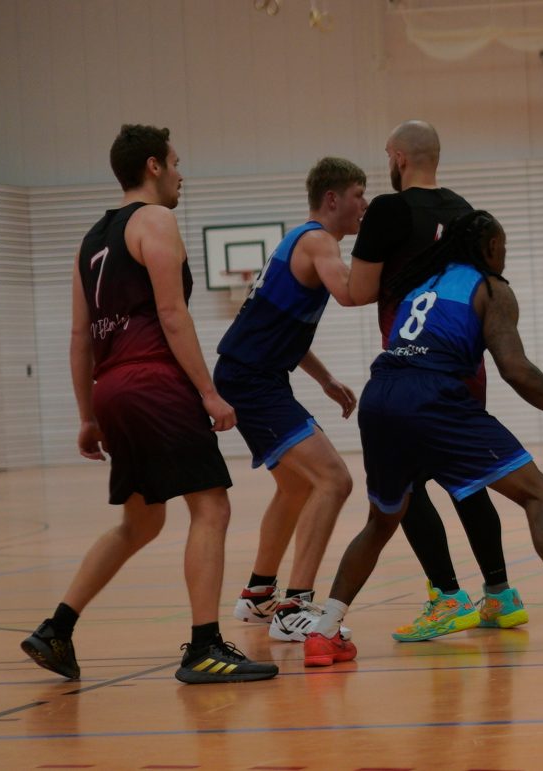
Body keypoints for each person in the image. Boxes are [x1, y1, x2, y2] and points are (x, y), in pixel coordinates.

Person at [304, 210, 543, 667]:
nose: (503, 256)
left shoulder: (423, 282)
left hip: (381, 396)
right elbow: (516, 370)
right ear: (488, 247)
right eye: (502, 247)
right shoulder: (490, 289)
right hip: (432, 397)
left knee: (382, 521)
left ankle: (324, 632)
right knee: (540, 493)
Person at [20, 124, 277, 684]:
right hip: (154, 382)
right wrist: (208, 392)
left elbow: (80, 337)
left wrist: (87, 414)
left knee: (139, 522)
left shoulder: (88, 241)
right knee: (211, 506)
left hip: (111, 389)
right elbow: (172, 314)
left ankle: (56, 629)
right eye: (177, 162)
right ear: (154, 167)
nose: (183, 173)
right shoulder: (156, 220)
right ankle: (204, 648)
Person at [346, 120, 528, 643]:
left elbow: (357, 292)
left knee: (405, 486)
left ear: (399, 157)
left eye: (386, 153)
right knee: (468, 477)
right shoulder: (465, 212)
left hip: (410, 363)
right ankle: (501, 594)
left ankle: (448, 597)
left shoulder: (387, 209)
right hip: (465, 361)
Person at [214, 157, 365, 642]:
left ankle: (259, 596)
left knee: (298, 487)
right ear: (333, 199)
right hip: (252, 379)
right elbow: (349, 292)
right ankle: (293, 606)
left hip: (254, 375)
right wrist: (391, 257)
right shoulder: (319, 241)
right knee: (335, 480)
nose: (365, 204)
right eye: (360, 194)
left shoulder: (300, 240)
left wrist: (324, 379)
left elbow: (286, 327)